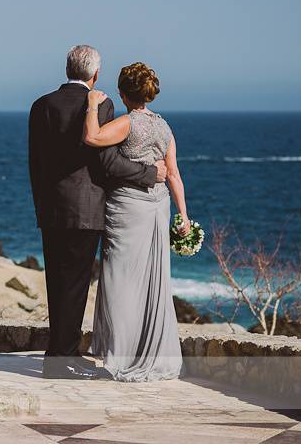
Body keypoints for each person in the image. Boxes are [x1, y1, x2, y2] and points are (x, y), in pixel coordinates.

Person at [28, 46, 167, 380]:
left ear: (67, 68)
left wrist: (41, 206)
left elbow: (36, 162)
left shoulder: (40, 105)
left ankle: (56, 355)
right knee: (75, 286)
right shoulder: (101, 104)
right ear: (95, 75)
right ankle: (62, 359)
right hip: (87, 208)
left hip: (51, 209)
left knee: (57, 284)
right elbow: (105, 161)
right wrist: (149, 174)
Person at [83, 62, 187, 381]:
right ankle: (149, 351)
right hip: (160, 207)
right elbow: (174, 175)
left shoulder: (128, 123)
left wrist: (90, 105)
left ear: (124, 94)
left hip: (128, 208)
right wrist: (184, 215)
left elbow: (92, 137)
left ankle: (120, 354)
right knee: (152, 283)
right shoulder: (164, 127)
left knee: (119, 281)